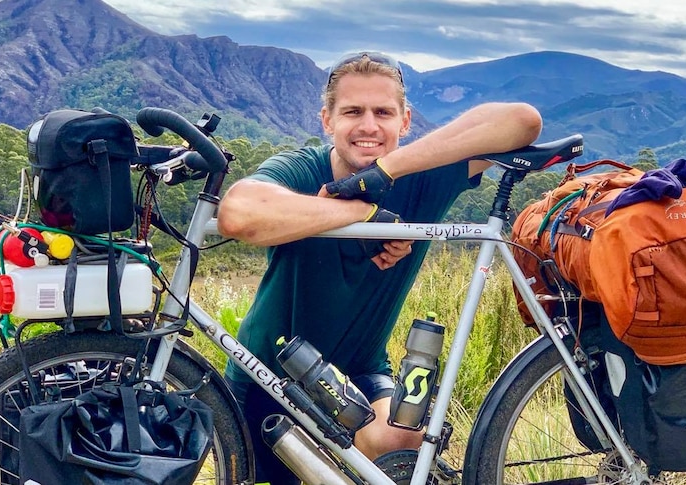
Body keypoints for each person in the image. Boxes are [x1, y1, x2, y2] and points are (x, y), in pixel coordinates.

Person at [217, 51, 542, 484]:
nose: (369, 126)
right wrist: (364, 215)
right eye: (352, 111)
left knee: (402, 439)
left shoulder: (421, 177)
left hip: (360, 379)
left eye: (383, 113)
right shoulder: (302, 169)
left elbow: (522, 121)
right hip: (262, 379)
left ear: (405, 122)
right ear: (327, 120)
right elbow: (238, 213)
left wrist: (387, 171)